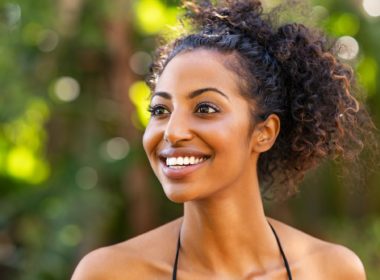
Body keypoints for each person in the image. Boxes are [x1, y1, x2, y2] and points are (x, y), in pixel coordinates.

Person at [72, 0, 376, 279]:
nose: (173, 131)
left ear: (264, 133)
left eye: (205, 108)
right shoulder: (109, 273)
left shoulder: (332, 271)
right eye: (160, 110)